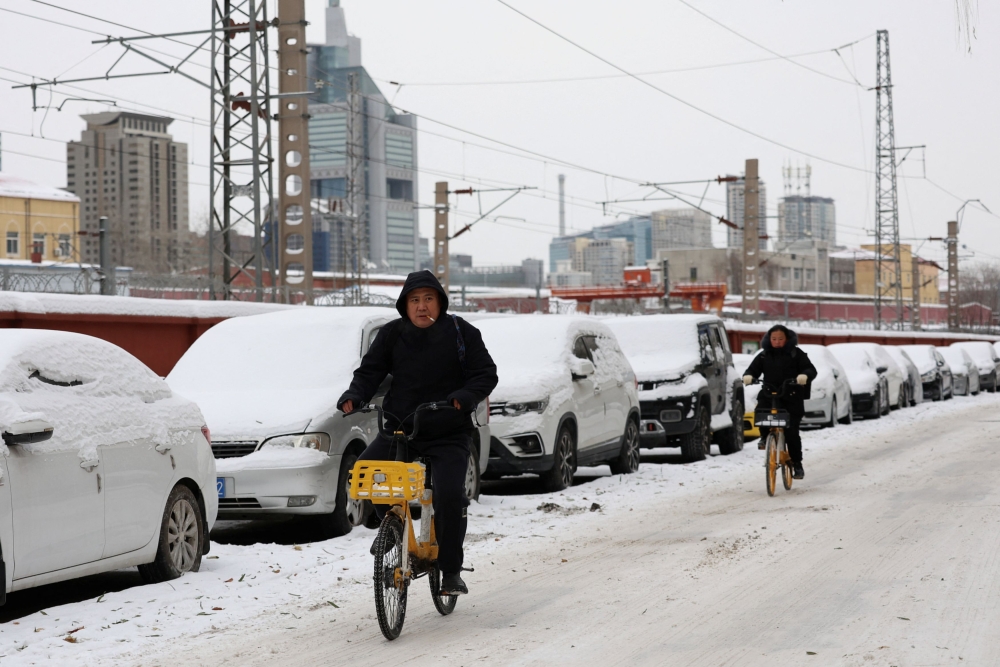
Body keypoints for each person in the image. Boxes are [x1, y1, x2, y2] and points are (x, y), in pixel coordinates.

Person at [338, 270, 498, 596]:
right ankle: (393, 530)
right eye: (414, 300)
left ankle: (451, 570)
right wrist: (355, 395)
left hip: (449, 431)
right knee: (368, 474)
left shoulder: (461, 332)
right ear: (404, 305)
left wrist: (463, 398)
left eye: (428, 299)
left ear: (439, 302)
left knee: (450, 495)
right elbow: (370, 371)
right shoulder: (392, 334)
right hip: (401, 428)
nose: (421, 306)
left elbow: (486, 374)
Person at [742, 324, 817, 480]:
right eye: (774, 339)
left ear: (787, 339)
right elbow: (752, 370)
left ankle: (797, 463)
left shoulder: (796, 354)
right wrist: (748, 376)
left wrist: (804, 376)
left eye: (780, 339)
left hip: (791, 395)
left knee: (791, 432)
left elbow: (810, 369)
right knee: (761, 413)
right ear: (769, 339)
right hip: (769, 393)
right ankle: (765, 438)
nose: (777, 342)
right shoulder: (764, 355)